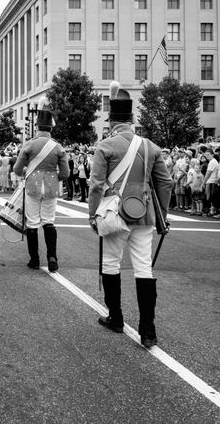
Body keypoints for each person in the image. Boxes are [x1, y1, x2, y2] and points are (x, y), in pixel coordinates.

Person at [88, 81, 172, 348]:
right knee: (144, 268)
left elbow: (96, 186)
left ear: (111, 119)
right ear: (133, 119)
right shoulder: (151, 147)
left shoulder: (106, 146)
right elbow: (166, 183)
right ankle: (148, 330)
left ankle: (116, 317)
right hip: (144, 213)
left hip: (115, 214)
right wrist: (162, 215)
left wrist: (93, 215)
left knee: (111, 263)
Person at [13, 97, 69, 273]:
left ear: (36, 126)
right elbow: (66, 174)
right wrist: (54, 178)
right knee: (49, 221)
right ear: (51, 127)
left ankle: (34, 259)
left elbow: (16, 169)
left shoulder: (29, 145)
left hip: (33, 185)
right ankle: (52, 257)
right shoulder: (58, 147)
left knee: (32, 223)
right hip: (51, 185)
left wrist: (26, 173)